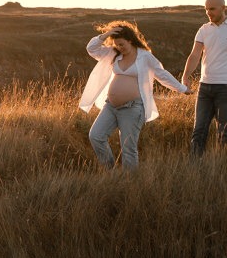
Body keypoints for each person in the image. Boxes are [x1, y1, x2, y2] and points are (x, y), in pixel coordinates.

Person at [79, 20, 189, 170]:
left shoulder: (145, 57)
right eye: (117, 44)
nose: (119, 47)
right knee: (96, 136)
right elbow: (91, 48)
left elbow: (162, 74)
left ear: (130, 40)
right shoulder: (112, 53)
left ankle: (129, 182)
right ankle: (110, 172)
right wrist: (107, 34)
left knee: (128, 148)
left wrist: (182, 88)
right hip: (110, 106)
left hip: (132, 108)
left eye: (122, 44)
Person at [182, 0, 227, 155]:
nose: (208, 12)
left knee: (223, 133)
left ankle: (220, 168)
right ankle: (196, 170)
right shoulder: (203, 30)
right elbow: (194, 55)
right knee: (198, 131)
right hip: (205, 87)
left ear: (223, 8)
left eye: (212, 9)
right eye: (206, 9)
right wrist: (185, 77)